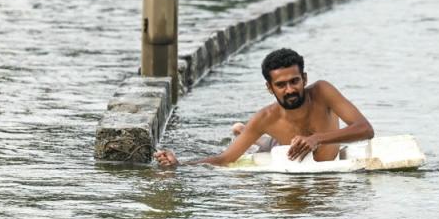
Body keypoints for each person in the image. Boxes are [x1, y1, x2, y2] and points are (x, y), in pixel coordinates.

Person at [153, 48, 374, 167]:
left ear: (304, 79)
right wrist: (179, 164)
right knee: (264, 145)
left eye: (294, 81)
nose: (289, 90)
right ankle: (247, 133)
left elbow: (365, 129)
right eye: (281, 85)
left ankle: (246, 132)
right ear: (270, 88)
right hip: (278, 146)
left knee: (267, 138)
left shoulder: (322, 92)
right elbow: (224, 159)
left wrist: (317, 138)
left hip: (319, 151)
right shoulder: (266, 117)